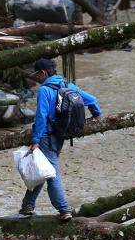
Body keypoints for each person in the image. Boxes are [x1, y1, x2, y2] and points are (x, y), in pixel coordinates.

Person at [19, 58, 101, 221]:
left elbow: (41, 116)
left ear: (43, 73)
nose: (37, 79)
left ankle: (64, 210)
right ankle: (27, 206)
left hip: (47, 137)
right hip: (61, 135)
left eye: (37, 75)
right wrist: (97, 115)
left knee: (51, 174)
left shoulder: (44, 90)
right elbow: (91, 100)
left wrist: (35, 140)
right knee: (43, 168)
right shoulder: (68, 85)